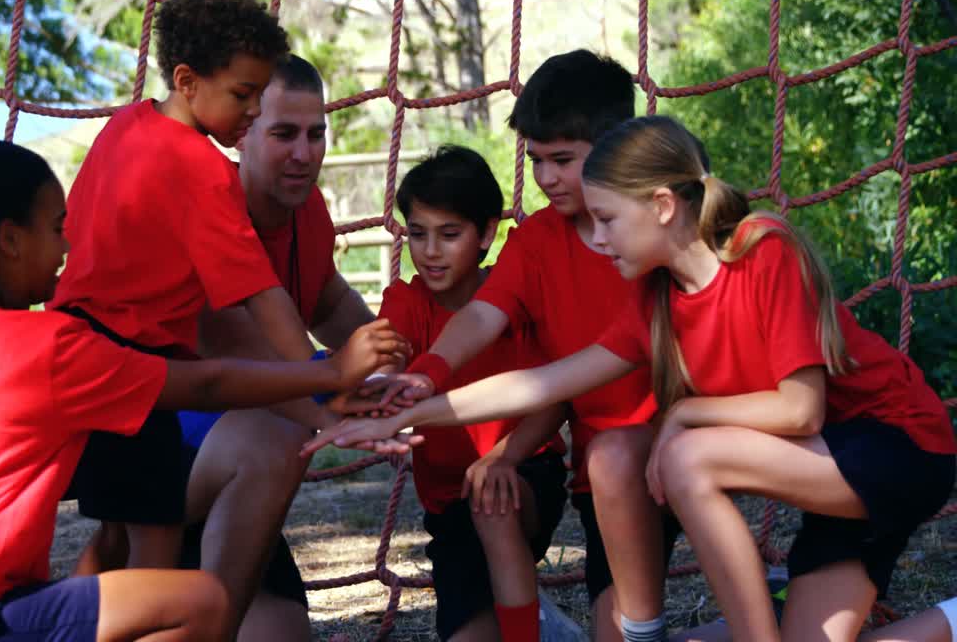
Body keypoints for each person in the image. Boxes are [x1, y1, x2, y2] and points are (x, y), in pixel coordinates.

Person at [305, 116, 957, 642]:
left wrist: (683, 416)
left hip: (899, 447)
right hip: (832, 487)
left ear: (665, 206)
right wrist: (406, 412)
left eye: (607, 220)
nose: (599, 239)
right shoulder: (655, 298)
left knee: (686, 455)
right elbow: (544, 384)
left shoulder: (762, 249)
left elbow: (801, 410)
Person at [0, 140, 408, 642]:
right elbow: (206, 382)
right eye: (55, 227)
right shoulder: (53, 346)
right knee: (204, 602)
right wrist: (329, 375)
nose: (66, 245)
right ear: (11, 240)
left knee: (115, 561)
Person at [47, 0, 360, 587]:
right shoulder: (200, 169)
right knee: (155, 561)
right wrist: (328, 378)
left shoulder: (125, 126)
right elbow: (260, 295)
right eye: (244, 95)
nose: (249, 111)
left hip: (80, 352)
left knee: (124, 535)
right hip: (131, 364)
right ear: (187, 81)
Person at [366, 49, 673, 641]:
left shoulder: (660, 227)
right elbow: (482, 317)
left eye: (563, 160)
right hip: (601, 475)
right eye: (536, 161)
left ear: (617, 149)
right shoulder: (536, 241)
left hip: (679, 446)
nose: (547, 178)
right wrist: (427, 373)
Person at [174, 53, 376, 641]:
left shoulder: (307, 209)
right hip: (171, 461)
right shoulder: (210, 208)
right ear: (243, 133)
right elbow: (254, 359)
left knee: (282, 634)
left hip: (237, 485)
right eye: (284, 133)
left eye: (316, 134)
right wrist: (346, 393)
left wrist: (397, 357)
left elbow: (329, 301)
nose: (304, 152)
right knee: (279, 434)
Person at [377, 145, 569, 642]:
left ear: (486, 233)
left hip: (524, 471)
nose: (431, 251)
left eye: (449, 234)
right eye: (418, 234)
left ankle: (526, 627)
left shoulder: (515, 295)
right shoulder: (407, 301)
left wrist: (504, 457)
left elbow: (556, 398)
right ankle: (532, 614)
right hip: (449, 506)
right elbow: (389, 355)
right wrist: (377, 383)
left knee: (491, 501)